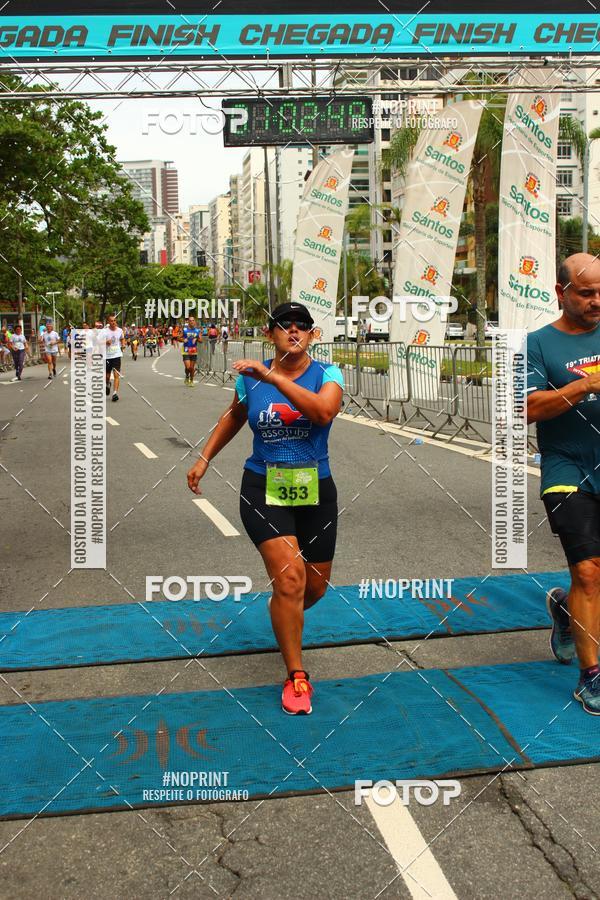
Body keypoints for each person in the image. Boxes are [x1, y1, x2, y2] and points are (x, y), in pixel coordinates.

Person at [187, 302, 344, 715]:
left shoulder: (328, 374)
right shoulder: (251, 381)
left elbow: (322, 411)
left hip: (315, 489)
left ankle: (282, 610)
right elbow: (234, 417)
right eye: (284, 326)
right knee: (291, 581)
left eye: (302, 326)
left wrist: (272, 375)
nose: (293, 331)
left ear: (313, 335)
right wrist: (204, 457)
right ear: (269, 333)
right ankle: (296, 674)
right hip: (262, 487)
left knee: (313, 588)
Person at [527, 252, 600, 715]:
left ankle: (567, 615)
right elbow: (529, 407)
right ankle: (592, 678)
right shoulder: (537, 344)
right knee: (589, 571)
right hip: (565, 468)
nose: (597, 301)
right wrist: (586, 384)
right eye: (587, 292)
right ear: (561, 292)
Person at [101, 314, 125, 402]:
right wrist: (105, 342)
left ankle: (115, 393)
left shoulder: (120, 330)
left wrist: (123, 344)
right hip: (107, 356)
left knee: (116, 375)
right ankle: (107, 383)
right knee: (107, 376)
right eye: (111, 321)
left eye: (114, 320)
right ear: (108, 322)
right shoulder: (104, 331)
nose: (113, 322)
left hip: (116, 356)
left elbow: (122, 338)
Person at [181, 316, 201, 385]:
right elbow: (178, 338)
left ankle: (191, 380)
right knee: (188, 367)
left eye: (193, 320)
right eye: (190, 320)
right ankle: (187, 376)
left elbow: (201, 340)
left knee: (192, 368)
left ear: (194, 322)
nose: (192, 322)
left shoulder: (197, 331)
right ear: (188, 322)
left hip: (193, 351)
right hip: (186, 351)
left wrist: (197, 339)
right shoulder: (185, 330)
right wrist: (183, 339)